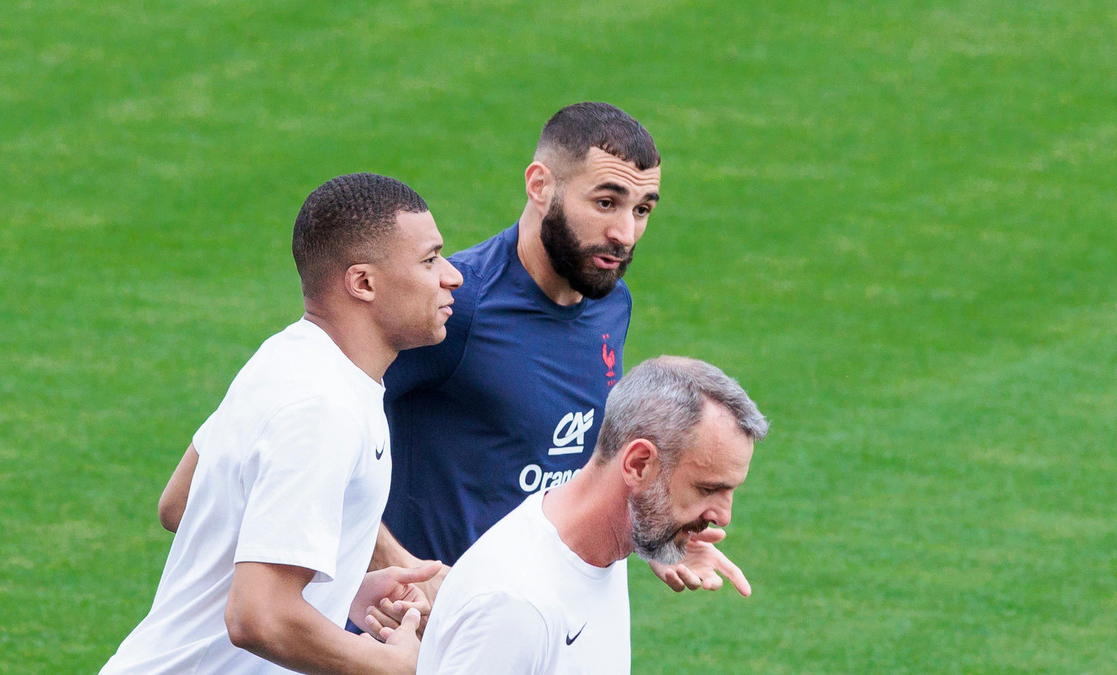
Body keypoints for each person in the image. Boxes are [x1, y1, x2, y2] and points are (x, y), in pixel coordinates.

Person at [370, 103, 743, 617]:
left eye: (642, 209)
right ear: (540, 185)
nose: (626, 234)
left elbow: (578, 456)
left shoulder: (611, 302)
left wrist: (656, 531)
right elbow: (320, 444)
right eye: (607, 202)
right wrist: (403, 567)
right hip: (428, 631)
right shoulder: (454, 305)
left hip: (545, 622)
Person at [100, 173, 464, 675]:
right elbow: (259, 617)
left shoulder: (289, 357)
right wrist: (393, 667)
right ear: (363, 282)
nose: (452, 276)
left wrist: (336, 588)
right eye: (429, 260)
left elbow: (180, 502)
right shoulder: (323, 408)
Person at [415, 356, 770, 674]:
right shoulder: (515, 605)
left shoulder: (600, 543)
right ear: (638, 464)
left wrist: (664, 541)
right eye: (707, 489)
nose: (723, 517)